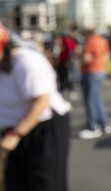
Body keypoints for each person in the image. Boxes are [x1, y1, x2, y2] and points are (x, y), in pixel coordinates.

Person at [0, 22, 71, 191]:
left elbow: (41, 101)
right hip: (14, 129)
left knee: (45, 183)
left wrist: (15, 134)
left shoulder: (25, 61)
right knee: (16, 183)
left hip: (43, 128)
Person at [78, 28, 111, 139]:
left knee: (90, 100)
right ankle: (104, 123)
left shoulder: (90, 41)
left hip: (90, 72)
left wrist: (79, 55)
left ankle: (93, 126)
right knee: (96, 99)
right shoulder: (102, 40)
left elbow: (86, 58)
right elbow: (107, 55)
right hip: (100, 70)